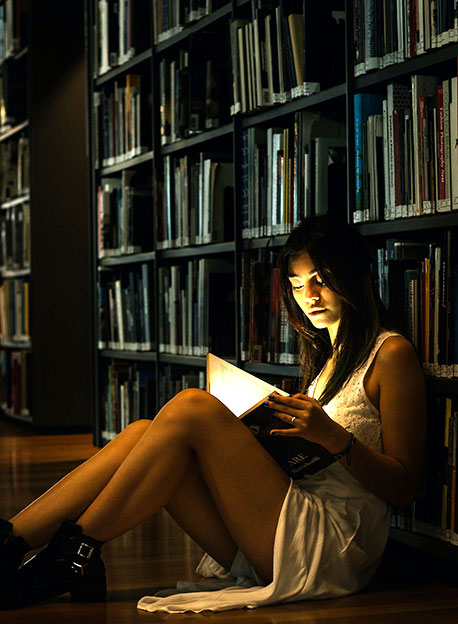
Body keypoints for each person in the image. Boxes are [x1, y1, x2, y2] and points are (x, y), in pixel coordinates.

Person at [0, 215, 426, 613]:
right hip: (287, 514)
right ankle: (13, 543)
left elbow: (405, 485)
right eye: (297, 285)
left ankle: (70, 557)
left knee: (193, 407)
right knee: (142, 433)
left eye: (321, 281)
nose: (309, 297)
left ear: (353, 276)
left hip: (333, 543)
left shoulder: (390, 355)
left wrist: (335, 439)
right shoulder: (326, 356)